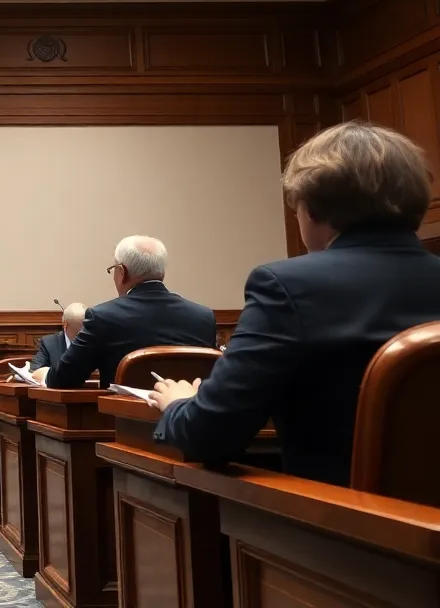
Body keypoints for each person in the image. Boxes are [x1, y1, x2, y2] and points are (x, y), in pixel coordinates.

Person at [150, 121, 440, 485]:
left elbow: (210, 436)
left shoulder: (288, 286)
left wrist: (177, 403)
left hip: (342, 527)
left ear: (313, 211)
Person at [44, 236, 215, 389]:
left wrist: (44, 374)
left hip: (122, 422)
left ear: (122, 272)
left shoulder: (103, 316)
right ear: (161, 272)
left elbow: (63, 379)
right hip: (187, 422)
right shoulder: (204, 317)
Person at [31, 302, 85, 375]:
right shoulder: (49, 343)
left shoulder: (96, 342)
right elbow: (34, 370)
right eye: (78, 330)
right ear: (65, 325)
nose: (83, 333)